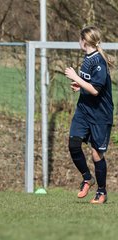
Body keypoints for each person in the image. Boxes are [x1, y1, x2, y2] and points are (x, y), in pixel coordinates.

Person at [65, 26, 114, 204]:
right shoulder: (87, 58)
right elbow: (90, 84)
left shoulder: (98, 61)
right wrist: (79, 86)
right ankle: (87, 178)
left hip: (100, 115)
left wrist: (76, 78)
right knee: (73, 144)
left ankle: (101, 192)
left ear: (84, 41)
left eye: (79, 39)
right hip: (84, 110)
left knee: (96, 154)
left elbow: (95, 90)